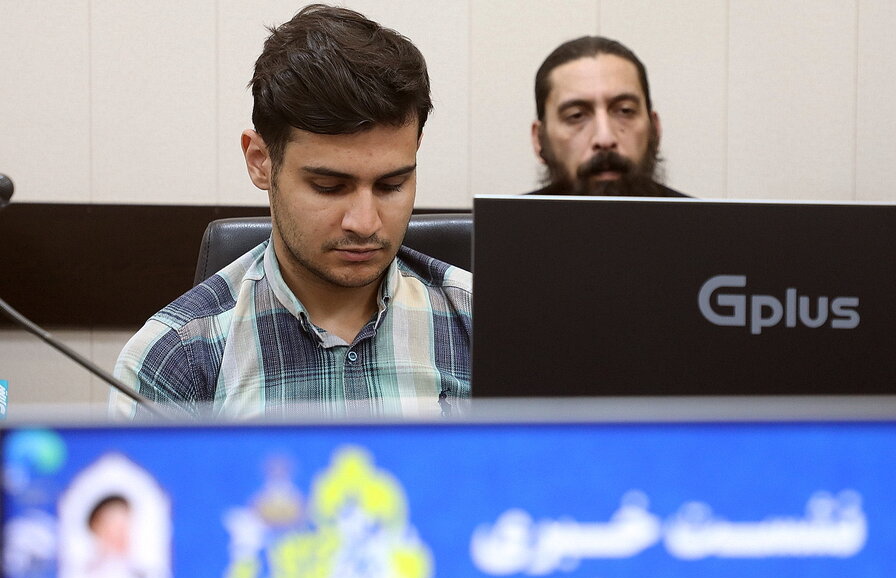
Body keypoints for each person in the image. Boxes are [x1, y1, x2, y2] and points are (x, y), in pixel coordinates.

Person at [111, 5, 471, 419]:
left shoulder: (485, 325)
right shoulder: (176, 358)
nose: (365, 223)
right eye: (329, 187)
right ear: (260, 161)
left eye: (391, 185)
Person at [529, 36, 690, 197]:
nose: (604, 139)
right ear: (539, 140)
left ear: (654, 129)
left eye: (625, 111)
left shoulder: (702, 214)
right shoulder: (512, 215)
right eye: (576, 115)